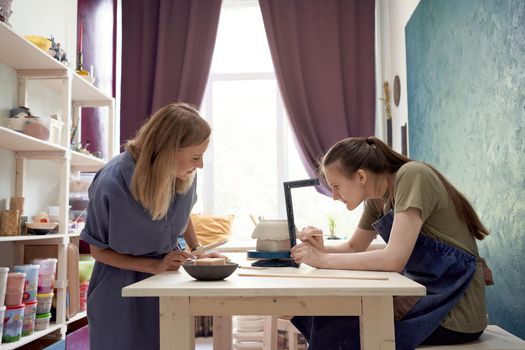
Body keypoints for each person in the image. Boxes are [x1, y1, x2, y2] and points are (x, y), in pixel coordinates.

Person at [290, 136, 491, 350]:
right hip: (424, 297)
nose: (334, 196)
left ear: (360, 176)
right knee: (324, 316)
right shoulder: (377, 199)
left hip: (456, 311)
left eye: (336, 186)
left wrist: (323, 260)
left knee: (335, 329)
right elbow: (353, 246)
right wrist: (321, 249)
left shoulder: (412, 175)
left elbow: (393, 259)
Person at [81, 103, 224, 349]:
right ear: (168, 150)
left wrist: (197, 249)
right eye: (195, 157)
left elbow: (181, 211)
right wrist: (154, 265)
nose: (200, 165)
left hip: (167, 283)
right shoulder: (112, 183)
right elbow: (98, 250)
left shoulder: (184, 173)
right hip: (120, 290)